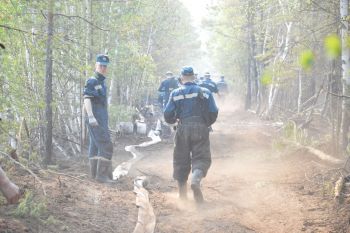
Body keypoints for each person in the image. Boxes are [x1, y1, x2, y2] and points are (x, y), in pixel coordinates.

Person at [164, 66, 218, 203]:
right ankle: (195, 180)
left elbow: (167, 114)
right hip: (201, 127)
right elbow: (213, 111)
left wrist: (174, 121)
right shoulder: (205, 92)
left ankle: (182, 196)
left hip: (182, 128)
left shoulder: (175, 93)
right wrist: (206, 124)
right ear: (194, 77)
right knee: (201, 157)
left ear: (182, 78)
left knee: (181, 159)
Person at [83, 54, 114, 183]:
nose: (103, 68)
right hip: (95, 118)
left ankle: (94, 174)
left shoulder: (101, 82)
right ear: (96, 65)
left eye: (105, 66)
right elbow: (86, 99)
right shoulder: (92, 81)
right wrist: (90, 117)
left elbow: (101, 104)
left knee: (95, 145)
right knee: (106, 145)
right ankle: (102, 176)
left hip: (101, 119)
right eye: (100, 65)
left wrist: (105, 123)